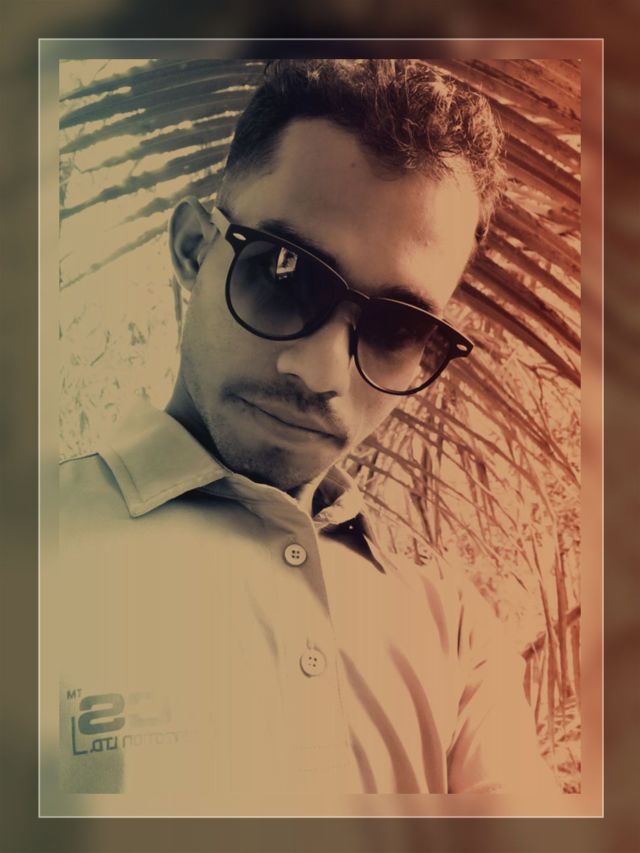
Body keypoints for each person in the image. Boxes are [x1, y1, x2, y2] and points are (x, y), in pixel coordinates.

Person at [45, 59, 555, 816]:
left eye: (396, 328)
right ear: (192, 248)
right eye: (284, 274)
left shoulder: (450, 623)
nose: (319, 372)